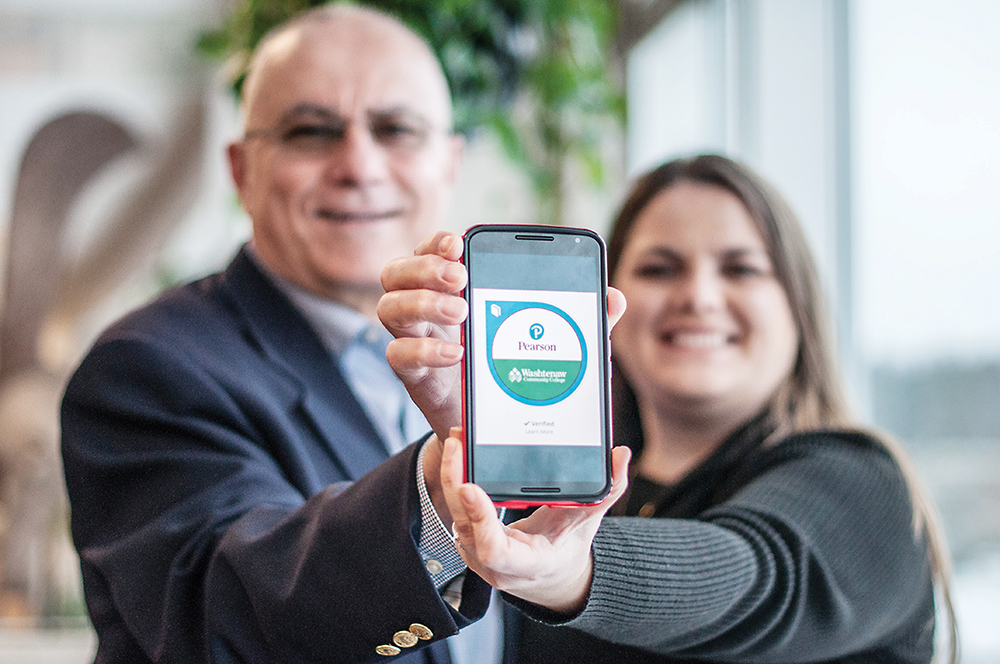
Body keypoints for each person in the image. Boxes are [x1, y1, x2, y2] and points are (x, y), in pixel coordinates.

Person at [60, 5, 513, 663]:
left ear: (448, 164)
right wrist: (446, 487)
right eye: (310, 131)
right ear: (243, 172)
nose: (359, 165)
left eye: (396, 129)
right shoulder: (147, 369)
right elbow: (221, 615)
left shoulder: (497, 361)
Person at [378, 154, 957, 663]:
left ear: (797, 306)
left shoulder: (861, 483)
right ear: (608, 307)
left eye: (741, 269)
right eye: (659, 269)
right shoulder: (560, 492)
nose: (698, 297)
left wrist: (577, 572)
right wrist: (470, 436)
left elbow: (750, 575)